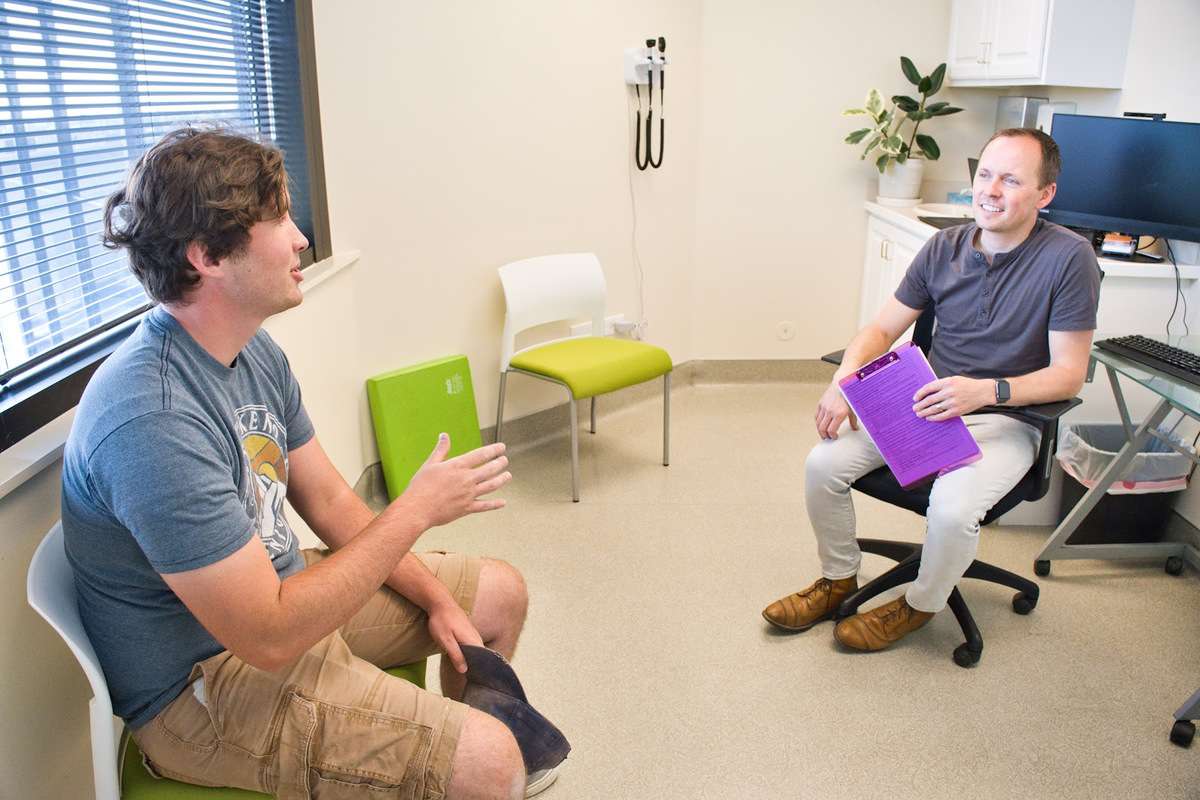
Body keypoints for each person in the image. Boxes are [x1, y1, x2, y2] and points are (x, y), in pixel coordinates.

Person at [61, 126, 550, 800]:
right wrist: (412, 512)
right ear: (207, 255)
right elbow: (267, 635)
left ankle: (435, 769)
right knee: (495, 762)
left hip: (277, 601)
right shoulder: (152, 418)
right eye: (277, 219)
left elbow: (328, 501)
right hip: (205, 687)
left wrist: (438, 598)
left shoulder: (251, 350)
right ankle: (458, 769)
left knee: (498, 595)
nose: (300, 239)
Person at [763, 127, 1100, 651]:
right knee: (821, 465)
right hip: (924, 405)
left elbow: (1068, 373)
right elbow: (879, 331)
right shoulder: (944, 246)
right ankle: (838, 579)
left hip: (1008, 417)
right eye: (985, 174)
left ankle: (919, 605)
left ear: (1045, 194)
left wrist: (983, 392)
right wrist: (843, 383)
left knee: (950, 508)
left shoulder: (1069, 259)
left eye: (1011, 180)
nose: (991, 190)